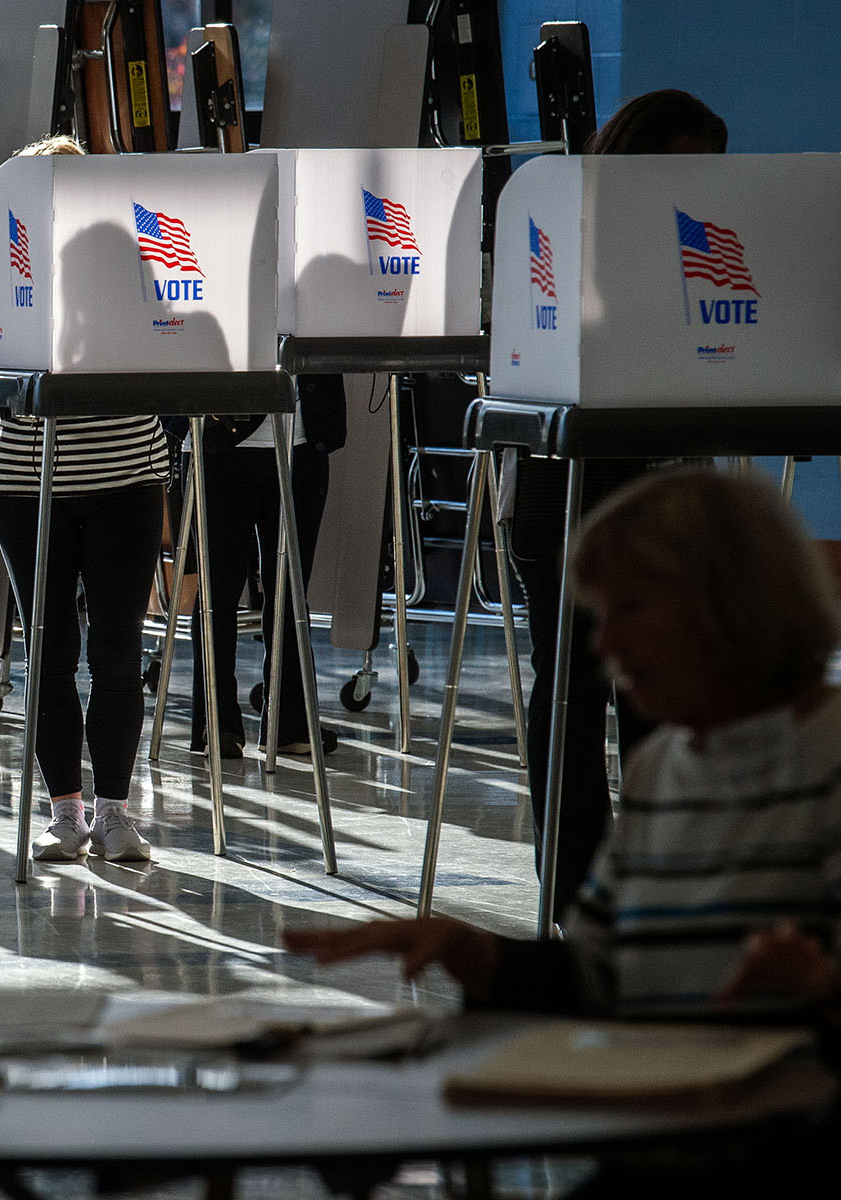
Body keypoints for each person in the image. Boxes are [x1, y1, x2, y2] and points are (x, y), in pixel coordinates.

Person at [288, 469, 841, 1020]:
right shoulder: (659, 769)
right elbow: (597, 971)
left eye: (629, 609)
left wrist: (823, 987)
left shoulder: (828, 759)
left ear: (728, 603)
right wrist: (472, 952)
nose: (603, 642)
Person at [506, 88, 727, 913]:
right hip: (568, 482)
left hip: (659, 487)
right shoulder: (569, 232)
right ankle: (572, 893)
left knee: (655, 688)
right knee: (570, 686)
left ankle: (649, 883)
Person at [0, 134, 168, 864]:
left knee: (117, 649)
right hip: (29, 485)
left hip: (127, 479)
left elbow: (167, 358)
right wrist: (31, 389)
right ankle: (65, 812)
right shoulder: (4, 276)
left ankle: (116, 812)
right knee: (49, 646)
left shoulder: (138, 272)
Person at [187, 375, 346, 758]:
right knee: (218, 591)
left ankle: (288, 722)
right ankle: (217, 723)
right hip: (219, 435)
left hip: (302, 437)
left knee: (290, 591)